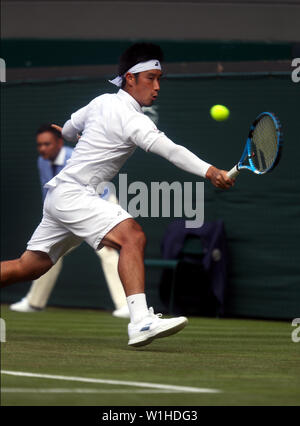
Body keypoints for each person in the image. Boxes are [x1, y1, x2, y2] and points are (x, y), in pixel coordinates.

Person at [0, 43, 234, 347]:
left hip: (63, 196)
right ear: (130, 78)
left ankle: (139, 320)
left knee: (29, 267)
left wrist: (80, 136)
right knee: (132, 236)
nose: (157, 87)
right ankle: (140, 322)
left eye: (160, 79)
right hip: (74, 195)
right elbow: (171, 151)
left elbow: (68, 130)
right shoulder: (133, 119)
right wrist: (210, 171)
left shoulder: (99, 103)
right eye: (150, 78)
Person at [9, 124, 130, 318]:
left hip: (99, 202)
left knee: (107, 253)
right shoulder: (42, 161)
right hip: (68, 210)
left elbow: (97, 187)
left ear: (59, 142)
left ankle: (126, 305)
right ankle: (34, 302)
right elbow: (49, 192)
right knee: (48, 251)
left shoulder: (74, 157)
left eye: (46, 144)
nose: (42, 149)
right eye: (39, 145)